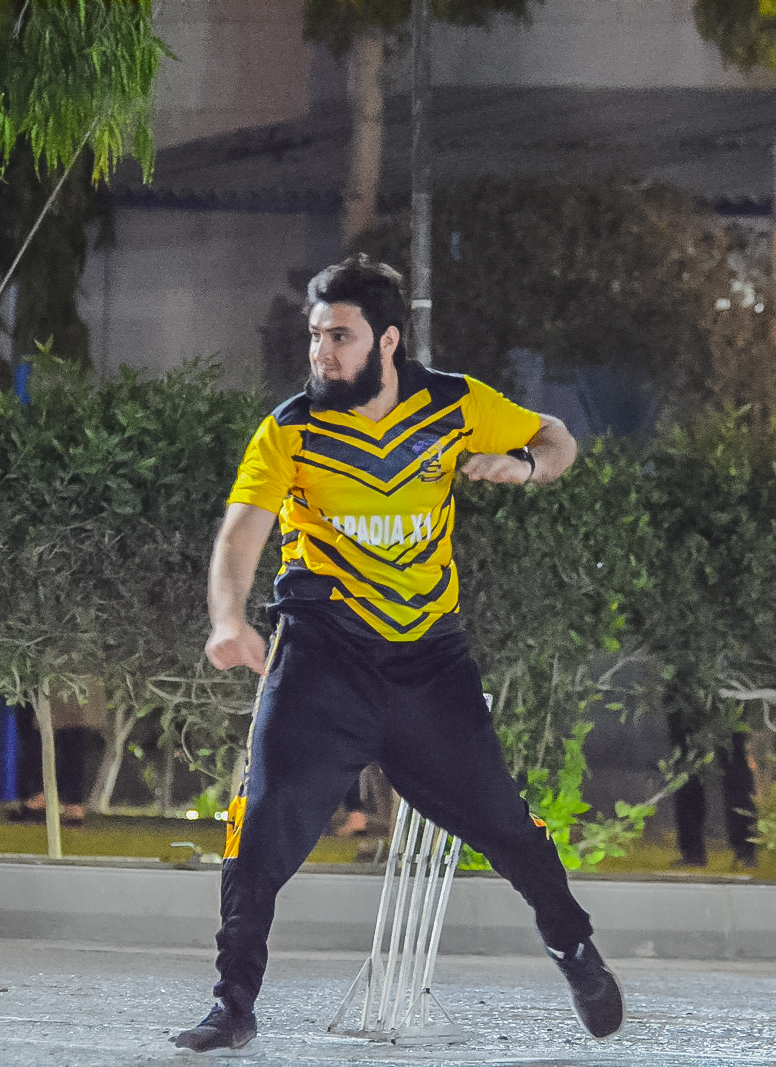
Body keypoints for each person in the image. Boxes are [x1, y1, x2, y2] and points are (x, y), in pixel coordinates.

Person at [171, 255, 624, 1054]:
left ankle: (573, 946)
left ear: (387, 340)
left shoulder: (453, 403)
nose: (321, 353)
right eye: (315, 336)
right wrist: (227, 618)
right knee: (258, 825)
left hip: (428, 664)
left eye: (339, 337)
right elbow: (242, 532)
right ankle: (232, 1004)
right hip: (321, 655)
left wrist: (525, 467)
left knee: (506, 823)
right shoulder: (291, 429)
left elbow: (557, 438)